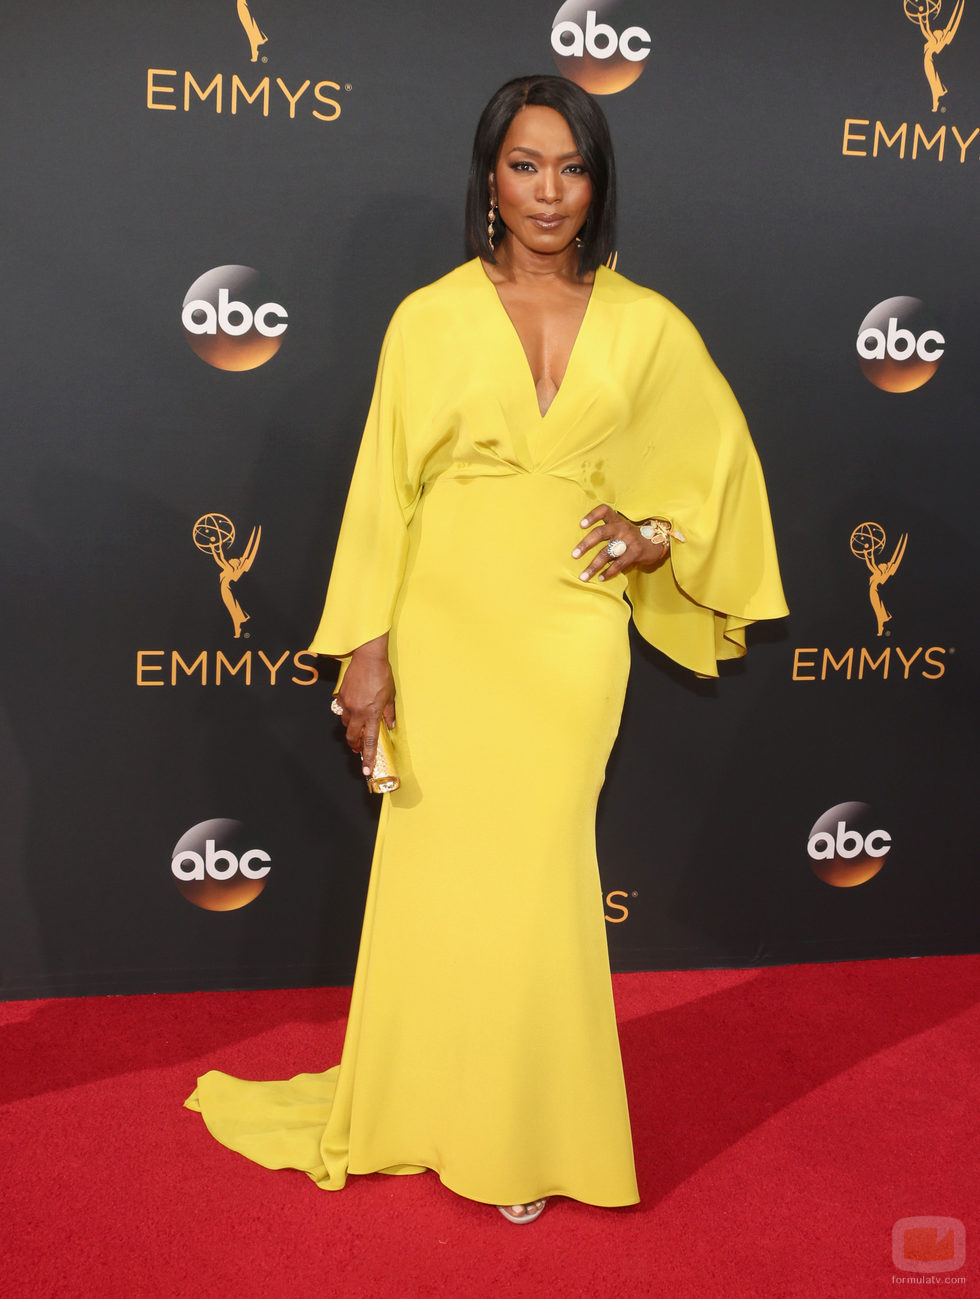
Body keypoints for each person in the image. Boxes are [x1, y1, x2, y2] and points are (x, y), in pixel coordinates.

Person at [185, 74, 788, 1224]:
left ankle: (525, 1129)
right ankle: (424, 1107)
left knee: (541, 874)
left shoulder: (648, 325)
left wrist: (652, 536)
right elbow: (382, 495)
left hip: (569, 634)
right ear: (489, 177)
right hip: (447, 625)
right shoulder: (428, 317)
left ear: (596, 180)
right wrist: (366, 648)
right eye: (524, 164)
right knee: (441, 877)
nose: (547, 190)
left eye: (569, 165)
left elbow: (717, 481)